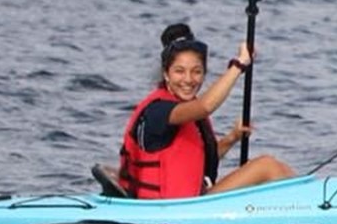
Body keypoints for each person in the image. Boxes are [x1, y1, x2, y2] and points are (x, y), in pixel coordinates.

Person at [95, 23, 294, 199]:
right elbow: (205, 106)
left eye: (196, 72)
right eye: (179, 71)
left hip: (192, 201)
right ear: (166, 74)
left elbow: (198, 160)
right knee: (267, 166)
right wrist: (239, 64)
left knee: (273, 167)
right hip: (172, 211)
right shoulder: (158, 111)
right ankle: (313, 205)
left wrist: (232, 138)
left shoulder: (186, 110)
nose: (189, 80)